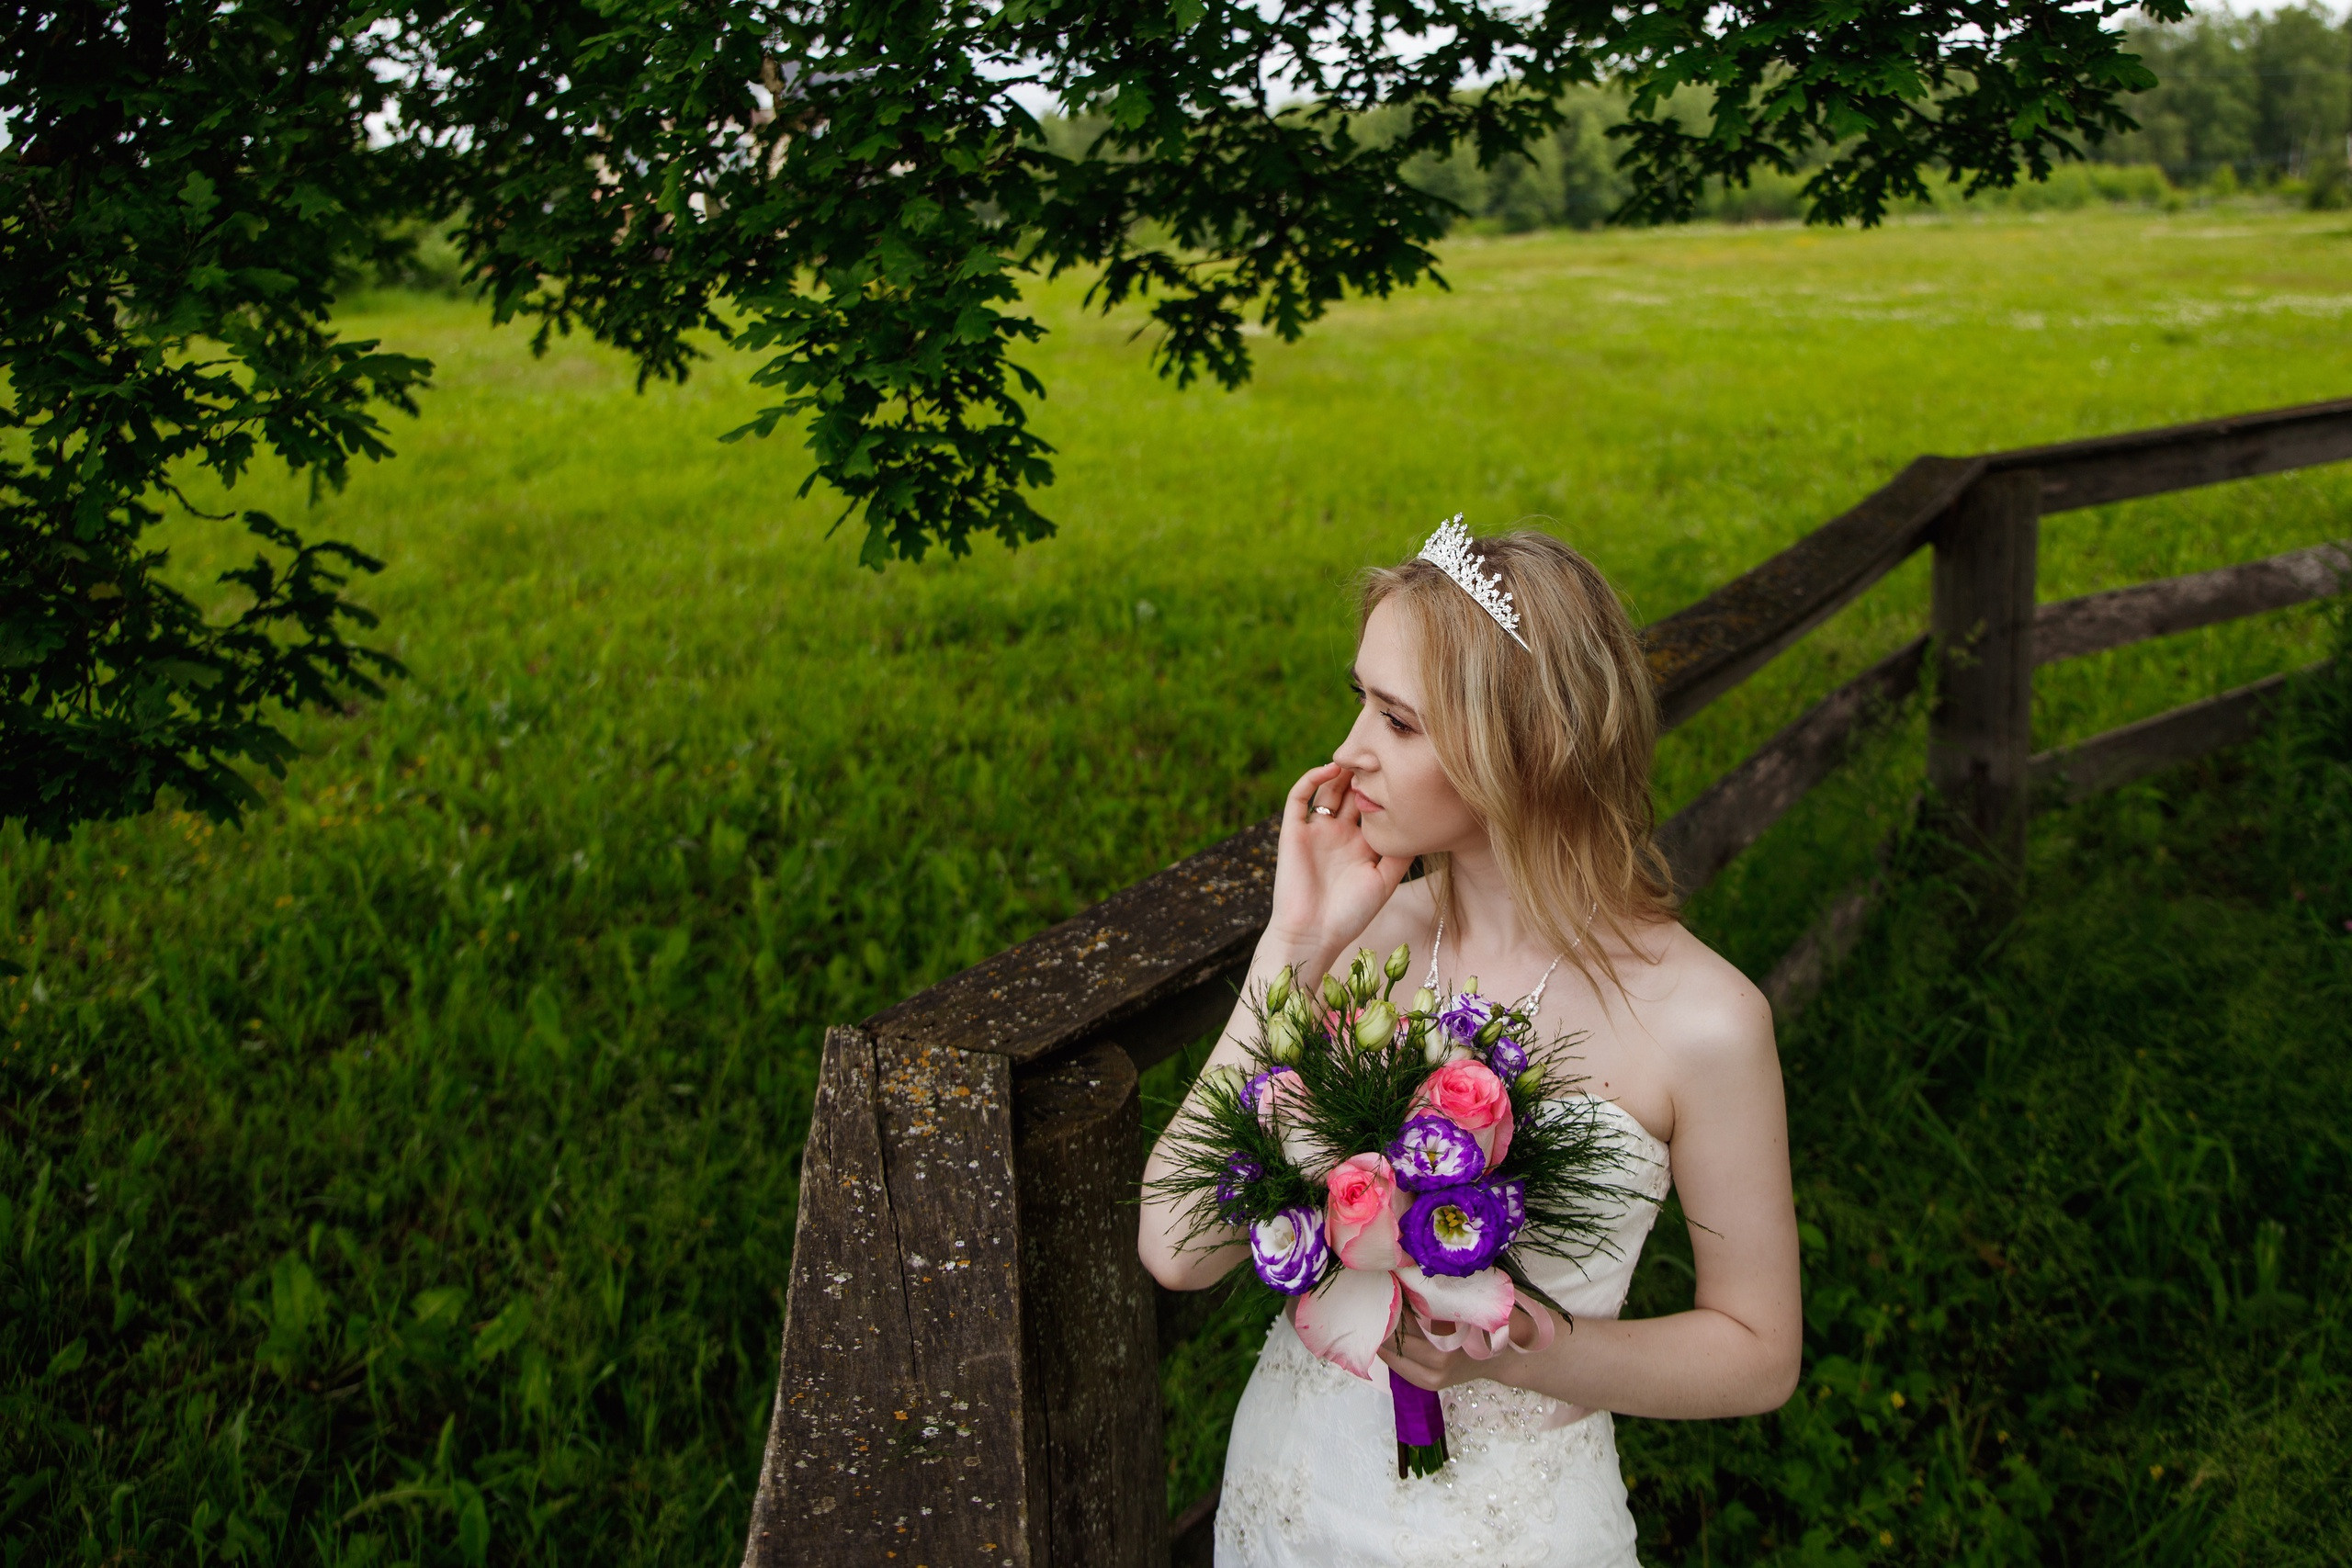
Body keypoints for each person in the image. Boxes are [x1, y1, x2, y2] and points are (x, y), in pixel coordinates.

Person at [1136, 524, 1802, 1567]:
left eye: (1397, 720)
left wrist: (1530, 1355)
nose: (1349, 752)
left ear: (1524, 746)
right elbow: (1178, 1248)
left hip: (1509, 1533)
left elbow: (1756, 1356)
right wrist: (1293, 946)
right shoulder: (1373, 945)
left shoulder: (1702, 1018)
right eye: (1360, 698)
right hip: (1290, 1498)